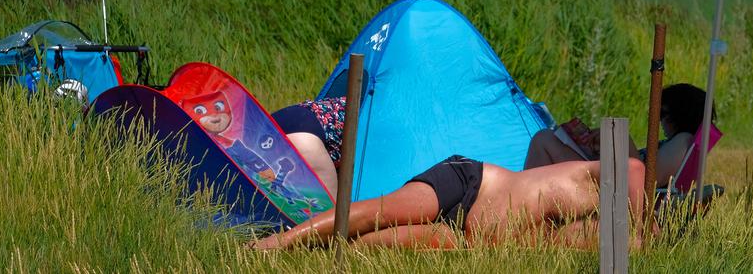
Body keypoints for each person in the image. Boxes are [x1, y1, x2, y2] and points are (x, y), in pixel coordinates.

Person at [250, 154, 647, 250]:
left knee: (366, 244)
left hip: (462, 238)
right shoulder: (598, 188)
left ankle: (309, 253)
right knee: (378, 212)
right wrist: (640, 224)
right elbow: (633, 166)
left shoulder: (596, 241)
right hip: (469, 183)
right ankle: (271, 245)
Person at [523, 83, 715, 189]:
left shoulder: (684, 141)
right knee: (547, 140)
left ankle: (522, 206)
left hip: (619, 195)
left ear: (681, 114)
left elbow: (648, 179)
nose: (659, 121)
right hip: (616, 186)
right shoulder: (681, 142)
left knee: (544, 140)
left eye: (663, 114)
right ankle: (529, 204)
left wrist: (620, 141)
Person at [271, 96, 346, 200]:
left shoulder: (359, 102)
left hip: (276, 121)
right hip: (306, 139)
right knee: (330, 211)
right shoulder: (371, 118)